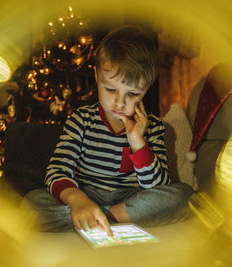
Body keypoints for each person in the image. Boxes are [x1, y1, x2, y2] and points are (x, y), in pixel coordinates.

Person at [22, 25, 194, 235]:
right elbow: (57, 170)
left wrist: (137, 142)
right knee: (31, 205)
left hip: (130, 201)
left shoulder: (153, 127)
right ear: (96, 77)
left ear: (145, 90)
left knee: (184, 195)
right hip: (85, 196)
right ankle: (90, 215)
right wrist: (78, 201)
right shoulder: (81, 119)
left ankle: (104, 217)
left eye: (132, 94)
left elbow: (157, 187)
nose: (119, 102)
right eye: (110, 89)